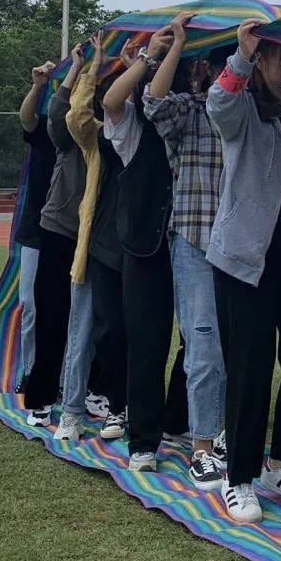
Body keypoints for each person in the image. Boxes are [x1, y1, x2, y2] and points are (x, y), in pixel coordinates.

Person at [206, 21, 281, 524]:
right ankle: (238, 476)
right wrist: (242, 55)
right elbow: (218, 104)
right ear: (264, 64)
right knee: (249, 368)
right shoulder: (244, 112)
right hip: (243, 261)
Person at [144, 13, 231, 491]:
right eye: (224, 70)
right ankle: (201, 447)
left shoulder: (249, 117)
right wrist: (175, 45)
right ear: (209, 73)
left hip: (239, 249)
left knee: (234, 348)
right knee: (203, 347)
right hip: (195, 242)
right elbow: (153, 102)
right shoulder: (188, 112)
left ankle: (220, 432)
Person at [101, 29, 181, 472]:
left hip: (193, 243)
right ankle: (144, 438)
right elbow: (111, 100)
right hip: (145, 244)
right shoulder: (133, 126)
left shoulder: (196, 115)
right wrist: (149, 57)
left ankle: (180, 419)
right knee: (147, 343)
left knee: (200, 341)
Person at [54, 36, 128, 444]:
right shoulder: (96, 136)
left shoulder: (146, 130)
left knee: (123, 335)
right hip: (96, 246)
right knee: (82, 334)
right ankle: (71, 412)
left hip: (136, 248)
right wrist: (93, 67)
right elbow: (75, 115)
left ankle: (121, 407)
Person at [21, 43, 88, 427]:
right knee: (43, 309)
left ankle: (85, 388)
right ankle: (40, 387)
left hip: (90, 231)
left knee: (88, 317)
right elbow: (30, 119)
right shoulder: (57, 129)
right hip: (50, 227)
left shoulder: (99, 129)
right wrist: (42, 85)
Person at [15, 59, 57, 389]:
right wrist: (38, 86)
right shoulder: (45, 129)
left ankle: (64, 376)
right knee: (30, 304)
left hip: (73, 230)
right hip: (37, 230)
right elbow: (26, 119)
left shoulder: (90, 130)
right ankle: (30, 370)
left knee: (67, 308)